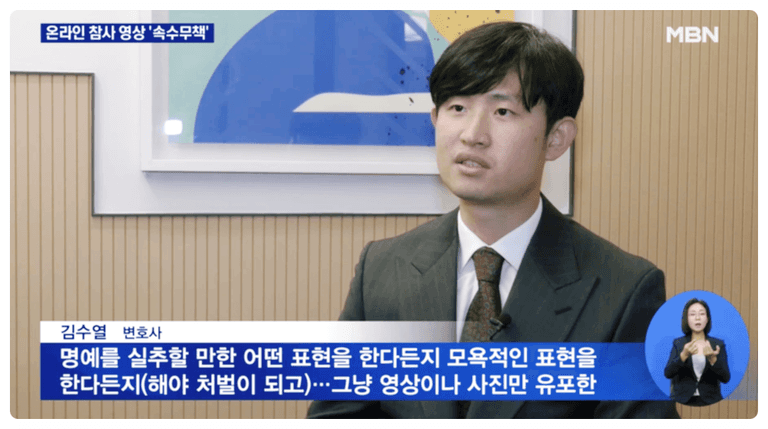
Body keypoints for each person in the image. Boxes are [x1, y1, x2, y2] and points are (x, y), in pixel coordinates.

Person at [307, 21, 679, 418]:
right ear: (435, 119)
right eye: (457, 108)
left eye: (502, 111)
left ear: (556, 138)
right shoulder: (382, 270)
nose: (472, 134)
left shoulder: (622, 290)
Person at [664, 298, 730, 406]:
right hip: (682, 401)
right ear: (687, 319)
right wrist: (683, 355)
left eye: (702, 314)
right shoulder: (679, 343)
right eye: (692, 314)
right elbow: (668, 373)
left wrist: (713, 360)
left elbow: (725, 378)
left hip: (710, 401)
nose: (697, 318)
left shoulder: (717, 345)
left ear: (707, 319)